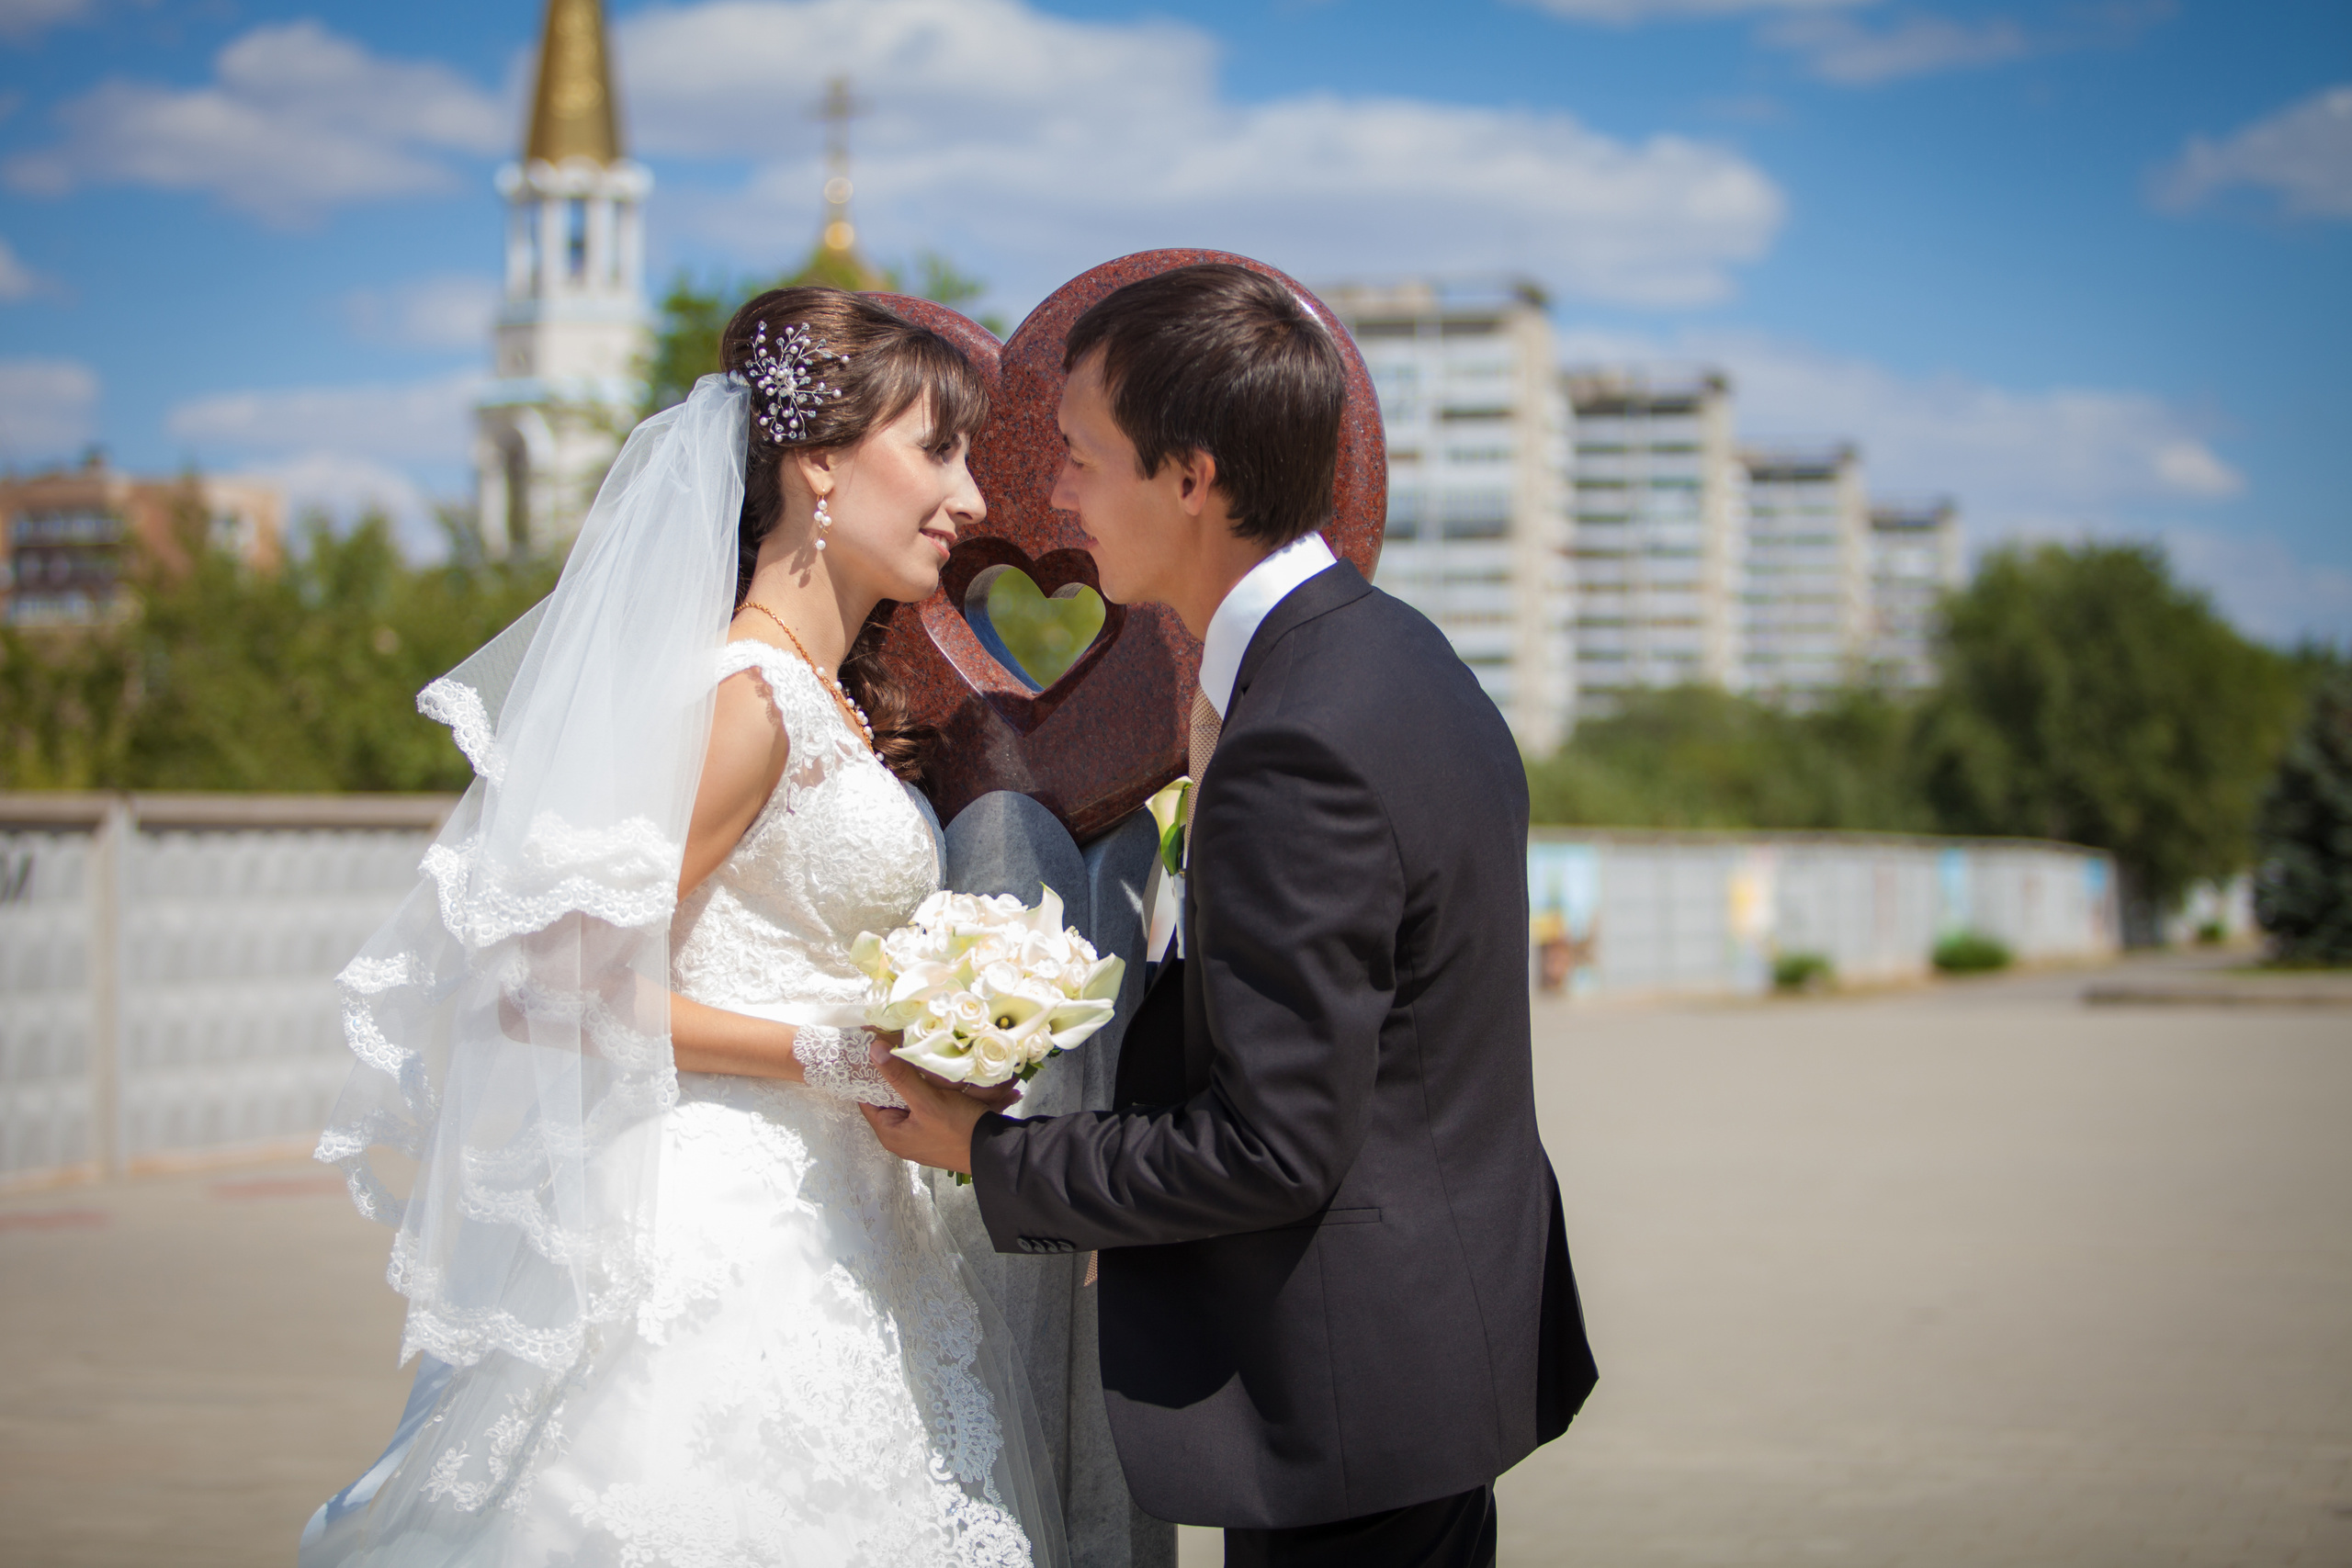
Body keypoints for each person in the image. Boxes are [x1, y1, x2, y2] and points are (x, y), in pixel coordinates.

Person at [302, 287, 1068, 1568]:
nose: (973, 500)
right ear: (819, 463)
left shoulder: (824, 698)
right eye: (938, 450)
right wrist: (843, 1054)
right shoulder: (748, 698)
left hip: (846, 1216)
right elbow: (544, 991)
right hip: (726, 1235)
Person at [862, 263, 1600, 1568]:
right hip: (1428, 1353)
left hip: (1346, 1390)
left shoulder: (1298, 739)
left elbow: (1273, 1146)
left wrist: (990, 1154)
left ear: (1191, 477)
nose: (1057, 496)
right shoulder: (1394, 655)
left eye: (1084, 456)